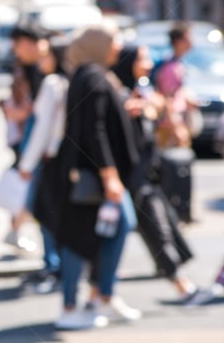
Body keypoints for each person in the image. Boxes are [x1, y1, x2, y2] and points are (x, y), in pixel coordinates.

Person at [52, 25, 142, 330]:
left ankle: (101, 295)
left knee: (104, 231)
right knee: (80, 239)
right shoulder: (92, 75)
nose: (118, 46)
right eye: (113, 40)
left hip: (88, 175)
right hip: (93, 176)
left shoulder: (89, 73)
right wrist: (110, 175)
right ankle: (74, 304)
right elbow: (94, 130)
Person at [113, 46, 203, 304]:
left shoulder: (141, 88)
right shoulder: (119, 94)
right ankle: (181, 284)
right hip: (132, 176)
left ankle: (100, 292)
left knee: (166, 222)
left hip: (149, 171)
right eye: (143, 58)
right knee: (156, 227)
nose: (149, 63)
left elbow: (158, 109)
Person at [17, 40, 69, 294]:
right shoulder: (70, 81)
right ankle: (61, 265)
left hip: (49, 159)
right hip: (66, 159)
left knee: (44, 213)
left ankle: (53, 264)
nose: (41, 60)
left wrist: (27, 162)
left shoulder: (52, 84)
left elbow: (42, 128)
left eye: (46, 56)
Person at [0, 24, 48, 253]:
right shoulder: (25, 70)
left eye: (17, 45)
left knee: (29, 186)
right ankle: (15, 229)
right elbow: (22, 108)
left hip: (28, 137)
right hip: (27, 138)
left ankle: (15, 229)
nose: (16, 51)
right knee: (29, 186)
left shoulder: (35, 68)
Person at [155, 22, 195, 148]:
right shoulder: (171, 68)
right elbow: (168, 98)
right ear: (178, 42)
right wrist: (176, 127)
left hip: (175, 122)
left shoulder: (178, 63)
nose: (191, 42)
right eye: (188, 38)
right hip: (169, 125)